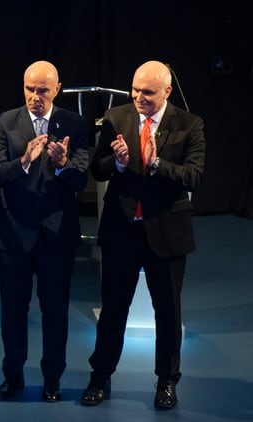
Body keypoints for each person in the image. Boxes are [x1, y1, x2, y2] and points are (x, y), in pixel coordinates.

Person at [81, 60, 205, 410]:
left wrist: (157, 166)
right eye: (135, 89)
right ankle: (99, 376)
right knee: (113, 311)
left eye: (147, 92)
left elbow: (194, 176)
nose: (138, 97)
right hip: (122, 231)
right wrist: (117, 164)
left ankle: (166, 382)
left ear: (166, 91)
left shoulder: (190, 124)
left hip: (166, 233)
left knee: (167, 313)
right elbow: (97, 166)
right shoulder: (117, 118)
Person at [0, 60, 89, 403]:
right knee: (13, 310)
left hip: (56, 237)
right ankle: (12, 376)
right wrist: (25, 161)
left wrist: (62, 165)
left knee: (55, 311)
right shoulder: (5, 122)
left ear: (57, 89)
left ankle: (52, 379)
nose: (35, 96)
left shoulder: (74, 124)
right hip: (13, 234)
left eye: (42, 90)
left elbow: (81, 179)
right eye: (30, 89)